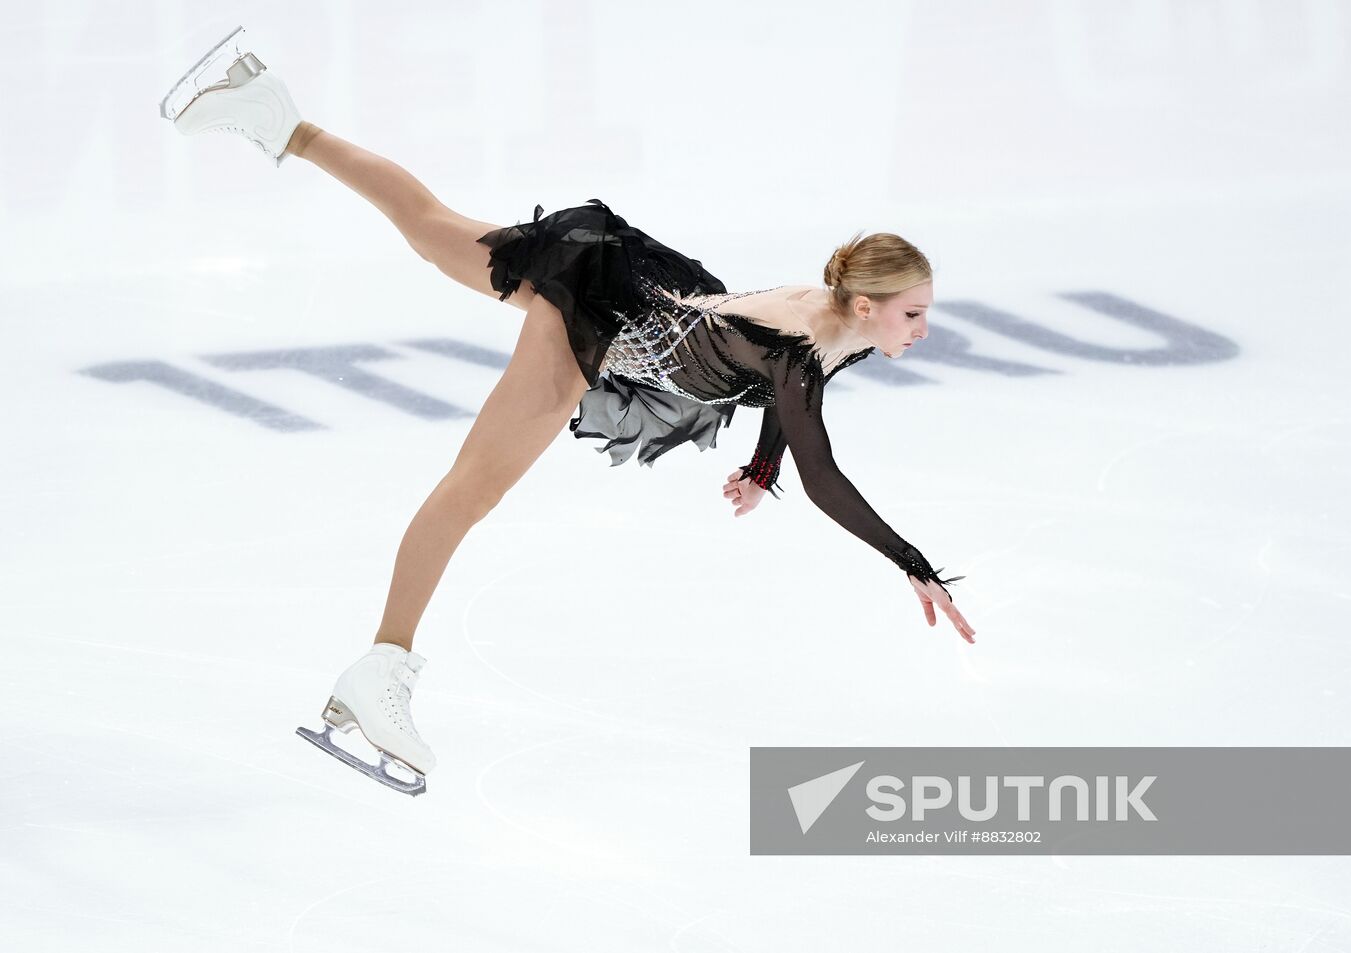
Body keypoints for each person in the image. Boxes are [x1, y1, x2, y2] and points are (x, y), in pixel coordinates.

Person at [159, 31, 974, 796]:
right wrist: (912, 561)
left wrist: (763, 468)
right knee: (474, 487)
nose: (923, 330)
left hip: (627, 273)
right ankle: (381, 667)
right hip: (607, 315)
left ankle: (278, 115)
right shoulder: (808, 346)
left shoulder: (843, 332)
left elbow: (785, 398)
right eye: (912, 315)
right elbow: (822, 468)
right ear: (865, 305)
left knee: (431, 227)